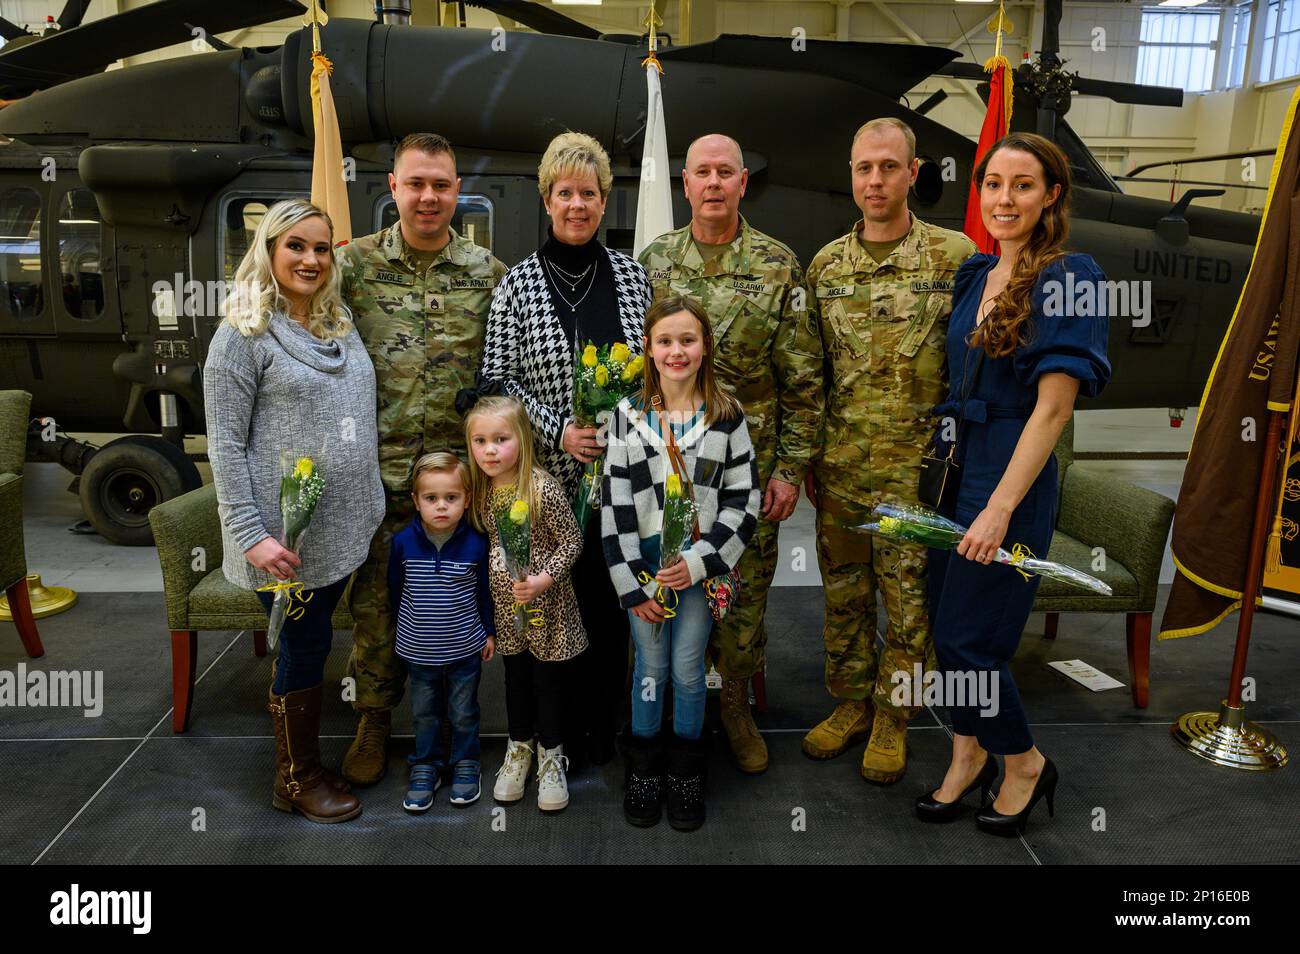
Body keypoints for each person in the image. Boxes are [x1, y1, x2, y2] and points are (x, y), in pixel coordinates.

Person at [916, 132, 1110, 834]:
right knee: (946, 631)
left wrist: (1000, 507)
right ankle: (968, 756)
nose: (1004, 198)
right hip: (954, 469)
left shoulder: (1071, 277)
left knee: (975, 642)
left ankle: (1024, 762)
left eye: (1022, 185)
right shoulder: (976, 275)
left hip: (1010, 481)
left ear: (1051, 194)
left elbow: (1053, 408)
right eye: (993, 183)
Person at [638, 133, 822, 774]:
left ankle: (736, 704)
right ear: (684, 184)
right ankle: (657, 711)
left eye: (726, 172)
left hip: (746, 479)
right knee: (663, 589)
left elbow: (803, 378)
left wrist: (789, 470)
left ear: (744, 182)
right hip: (665, 475)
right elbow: (642, 367)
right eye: (702, 173)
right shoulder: (655, 260)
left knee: (741, 599)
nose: (713, 183)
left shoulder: (779, 265)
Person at [802, 118, 976, 783]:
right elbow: (810, 370)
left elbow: (974, 366)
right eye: (863, 168)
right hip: (842, 469)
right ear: (851, 175)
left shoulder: (954, 258)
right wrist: (810, 459)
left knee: (907, 603)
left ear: (913, 172)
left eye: (887, 167)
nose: (874, 180)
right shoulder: (824, 266)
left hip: (917, 474)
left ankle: (894, 718)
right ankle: (850, 704)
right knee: (844, 597)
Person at [203, 198, 385, 824]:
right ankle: (296, 779)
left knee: (309, 646)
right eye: (296, 246)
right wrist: (250, 535)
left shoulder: (339, 322)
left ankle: (302, 763)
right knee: (304, 649)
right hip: (284, 539)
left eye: (321, 248)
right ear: (269, 251)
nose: (310, 259)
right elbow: (223, 442)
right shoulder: (242, 334)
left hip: (340, 533)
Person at [338, 132, 507, 787]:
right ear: (393, 186)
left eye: (441, 183)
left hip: (461, 487)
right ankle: (374, 722)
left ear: (457, 187)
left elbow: (502, 379)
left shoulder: (487, 274)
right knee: (377, 611)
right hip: (377, 479)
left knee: (461, 609)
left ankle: (466, 735)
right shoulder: (350, 267)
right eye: (416, 183)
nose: (429, 196)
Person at [480, 131, 652, 766]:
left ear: (605, 201)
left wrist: (625, 426)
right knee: (557, 606)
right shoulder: (517, 286)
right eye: (564, 192)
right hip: (547, 488)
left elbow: (658, 371)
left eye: (589, 193)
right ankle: (555, 739)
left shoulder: (634, 278)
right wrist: (560, 430)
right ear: (546, 200)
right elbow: (496, 381)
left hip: (626, 483)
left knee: (611, 609)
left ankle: (608, 733)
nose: (576, 204)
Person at [603, 295, 760, 831]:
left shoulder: (727, 415)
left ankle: (687, 770)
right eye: (665, 340)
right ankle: (644, 767)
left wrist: (700, 562)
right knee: (649, 670)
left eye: (687, 340)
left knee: (691, 671)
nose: (676, 351)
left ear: (705, 346)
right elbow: (615, 508)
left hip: (695, 571)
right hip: (644, 573)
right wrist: (631, 585)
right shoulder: (625, 418)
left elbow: (744, 501)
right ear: (648, 348)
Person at [465, 395, 586, 812]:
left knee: (547, 684)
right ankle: (519, 748)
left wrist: (542, 579)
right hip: (506, 611)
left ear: (525, 439)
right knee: (515, 680)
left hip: (548, 611)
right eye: (480, 441)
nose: (490, 450)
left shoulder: (541, 488)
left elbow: (572, 541)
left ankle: (552, 756)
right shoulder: (480, 490)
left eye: (501, 439)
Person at [389, 452, 496, 812]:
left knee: (464, 711)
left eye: (451, 498)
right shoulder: (403, 543)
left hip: (465, 648)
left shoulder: (476, 544)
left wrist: (489, 632)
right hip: (418, 651)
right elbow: (396, 590)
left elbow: (485, 592)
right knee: (424, 713)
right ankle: (426, 764)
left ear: (467, 499)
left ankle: (466, 764)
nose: (441, 507)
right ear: (416, 501)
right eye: (431, 498)